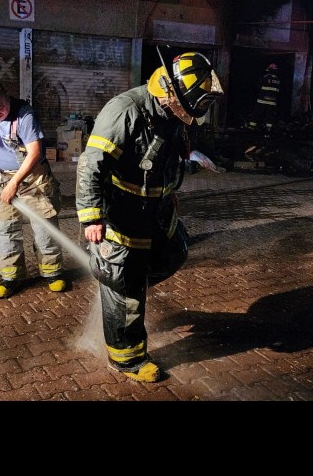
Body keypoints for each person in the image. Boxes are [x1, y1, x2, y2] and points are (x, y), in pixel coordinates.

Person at [75, 51, 224, 382]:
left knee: (174, 252)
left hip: (156, 209)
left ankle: (123, 290)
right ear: (172, 92)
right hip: (123, 211)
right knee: (125, 283)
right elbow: (90, 165)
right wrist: (92, 217)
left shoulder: (171, 111)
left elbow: (163, 155)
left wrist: (179, 177)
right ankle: (127, 359)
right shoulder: (125, 111)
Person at [0, 78, 65, 299]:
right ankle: (11, 277)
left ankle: (52, 273)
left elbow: (35, 153)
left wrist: (15, 183)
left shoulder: (25, 114)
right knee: (6, 229)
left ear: (6, 97)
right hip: (0, 179)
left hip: (32, 179)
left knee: (45, 228)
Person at [247, 63, 281, 132]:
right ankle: (268, 129)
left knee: (256, 114)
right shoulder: (278, 80)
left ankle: (251, 127)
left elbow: (258, 86)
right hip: (272, 102)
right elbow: (278, 91)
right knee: (270, 116)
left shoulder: (265, 77)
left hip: (262, 100)